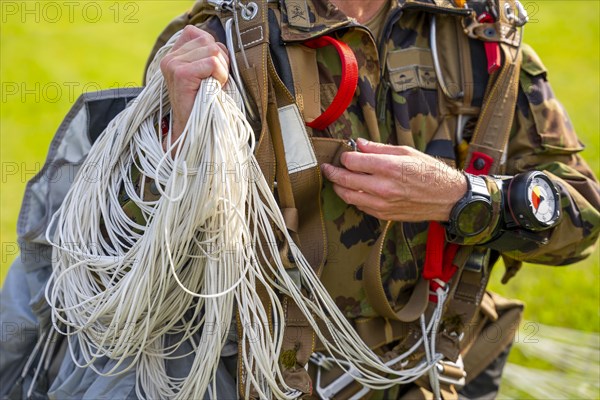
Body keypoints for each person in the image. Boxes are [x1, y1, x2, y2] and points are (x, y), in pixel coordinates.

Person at [1, 0, 598, 399]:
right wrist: (183, 143)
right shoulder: (228, 41)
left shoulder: (477, 37)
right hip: (259, 381)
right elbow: (122, 260)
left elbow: (582, 214)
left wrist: (463, 197)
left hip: (430, 376)